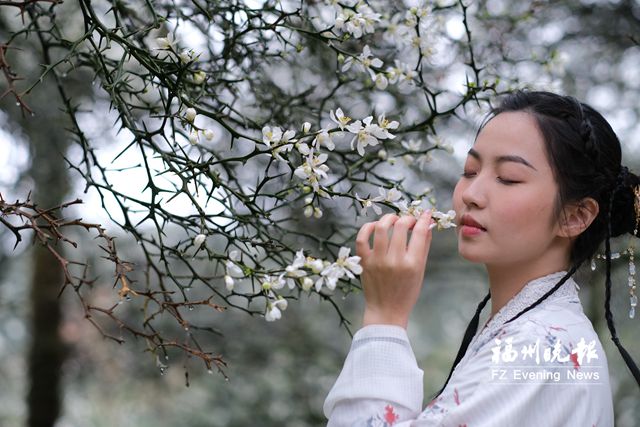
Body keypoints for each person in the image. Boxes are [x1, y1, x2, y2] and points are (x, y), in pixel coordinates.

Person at [323, 90, 640, 426]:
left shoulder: (540, 349)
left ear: (575, 216)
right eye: (470, 171)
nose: (470, 195)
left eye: (508, 178)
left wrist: (384, 317)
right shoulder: (534, 334)